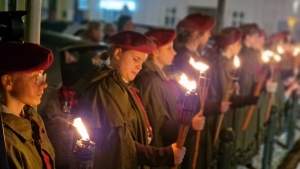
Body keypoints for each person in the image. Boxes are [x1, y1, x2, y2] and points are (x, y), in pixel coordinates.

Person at [73, 31, 186, 169]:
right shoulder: (109, 88)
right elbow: (121, 144)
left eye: (142, 62)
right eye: (135, 59)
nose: (139, 66)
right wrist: (163, 155)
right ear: (118, 54)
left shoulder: (122, 84)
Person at [134, 28, 205, 169]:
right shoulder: (151, 82)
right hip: (161, 156)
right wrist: (189, 124)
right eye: (169, 48)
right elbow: (158, 127)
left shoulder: (162, 77)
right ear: (155, 52)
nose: (174, 52)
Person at [0, 41, 55, 168]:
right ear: (8, 82)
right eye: (36, 77)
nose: (44, 85)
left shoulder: (32, 117)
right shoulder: (4, 140)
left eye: (42, 76)